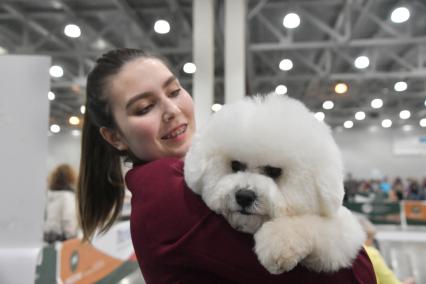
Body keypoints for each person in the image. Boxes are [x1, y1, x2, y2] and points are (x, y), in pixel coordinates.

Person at [77, 48, 376, 283]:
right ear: (114, 137)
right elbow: (356, 276)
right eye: (144, 108)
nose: (171, 110)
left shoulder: (182, 183)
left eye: (173, 91)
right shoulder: (166, 192)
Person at [357, 215, 415, 284]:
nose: (372, 242)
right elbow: (389, 281)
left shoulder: (349, 253)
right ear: (365, 236)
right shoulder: (370, 253)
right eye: (371, 238)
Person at [44, 164, 78, 242]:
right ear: (71, 178)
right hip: (62, 240)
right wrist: (72, 238)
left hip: (48, 237)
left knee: (49, 254)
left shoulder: (50, 195)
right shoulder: (67, 196)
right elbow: (68, 219)